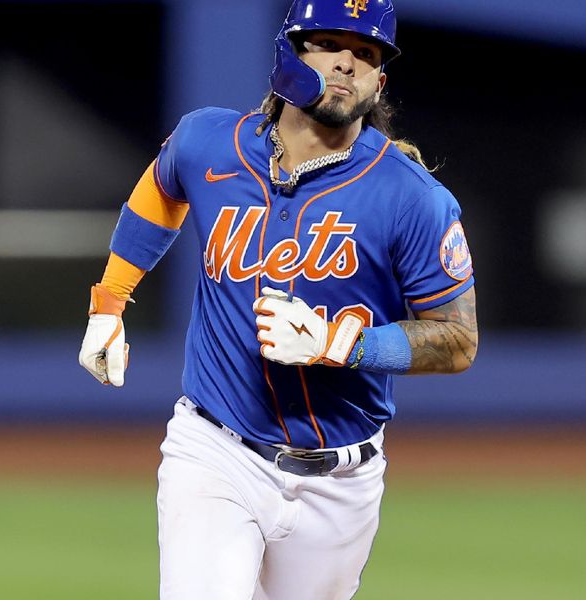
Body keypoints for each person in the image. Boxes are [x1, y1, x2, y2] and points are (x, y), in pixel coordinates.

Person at [79, 0, 478, 597]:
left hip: (340, 483)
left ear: (380, 82)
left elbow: (458, 341)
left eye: (366, 55)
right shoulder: (209, 141)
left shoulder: (412, 197)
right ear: (288, 52)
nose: (347, 63)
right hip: (216, 449)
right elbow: (162, 188)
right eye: (330, 44)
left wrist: (341, 344)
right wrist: (109, 302)